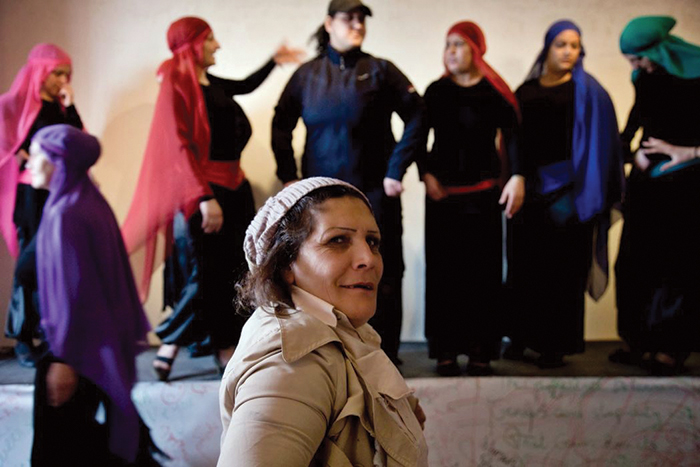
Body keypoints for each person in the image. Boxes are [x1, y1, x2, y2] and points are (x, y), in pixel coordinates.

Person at [122, 17, 302, 381]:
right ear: (191, 44)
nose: (216, 46)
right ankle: (178, 341)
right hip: (205, 192)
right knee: (206, 275)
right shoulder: (175, 84)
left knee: (235, 272)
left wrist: (273, 60)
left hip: (236, 189)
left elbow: (245, 84)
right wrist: (204, 197)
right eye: (209, 39)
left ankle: (221, 344)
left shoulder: (212, 83)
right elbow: (178, 146)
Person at [218, 176, 428, 466]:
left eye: (372, 242)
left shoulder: (346, 334)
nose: (368, 259)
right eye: (337, 240)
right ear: (286, 264)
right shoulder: (292, 360)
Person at [271, 0, 425, 364]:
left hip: (373, 195)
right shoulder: (307, 75)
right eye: (349, 18)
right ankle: (328, 352)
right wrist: (289, 176)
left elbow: (418, 116)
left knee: (381, 270)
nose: (357, 24)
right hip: (320, 199)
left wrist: (396, 170)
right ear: (329, 23)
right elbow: (281, 124)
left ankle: (384, 356)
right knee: (322, 270)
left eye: (361, 19)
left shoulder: (381, 70)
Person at [26, 124, 160, 466]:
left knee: (56, 449)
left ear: (58, 161)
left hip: (73, 351)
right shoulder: (88, 202)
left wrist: (63, 360)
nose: (27, 162)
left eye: (36, 155)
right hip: (94, 347)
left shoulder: (65, 214)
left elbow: (75, 294)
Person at [505, 20, 623, 368]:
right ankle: (522, 337)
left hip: (572, 192)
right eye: (561, 44)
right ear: (548, 48)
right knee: (524, 264)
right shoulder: (525, 91)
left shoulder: (590, 93)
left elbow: (606, 145)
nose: (569, 51)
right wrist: (517, 177)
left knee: (561, 269)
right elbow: (514, 140)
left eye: (575, 45)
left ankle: (554, 344)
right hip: (530, 191)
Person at [418, 21, 523, 376]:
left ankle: (481, 349)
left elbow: (514, 138)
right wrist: (426, 174)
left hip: (484, 197)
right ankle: (445, 349)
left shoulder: (494, 92)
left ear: (477, 50)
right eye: (447, 44)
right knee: (444, 274)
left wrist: (517, 178)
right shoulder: (436, 92)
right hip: (442, 197)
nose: (451, 51)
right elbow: (418, 137)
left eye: (459, 44)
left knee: (483, 275)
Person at [613, 16, 700, 375]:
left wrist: (689, 152)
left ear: (658, 50)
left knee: (676, 266)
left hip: (685, 185)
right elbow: (637, 123)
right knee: (635, 261)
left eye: (638, 59)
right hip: (647, 184)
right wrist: (631, 153)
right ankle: (639, 341)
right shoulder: (646, 78)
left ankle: (670, 348)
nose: (634, 67)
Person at [0, 43, 83, 367]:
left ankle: (50, 335)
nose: (62, 79)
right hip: (30, 194)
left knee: (55, 264)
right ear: (40, 72)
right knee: (29, 264)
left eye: (66, 73)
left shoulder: (61, 108)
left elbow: (77, 142)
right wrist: (27, 158)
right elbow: (8, 145)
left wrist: (71, 107)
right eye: (56, 73)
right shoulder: (14, 104)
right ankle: (22, 337)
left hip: (57, 192)